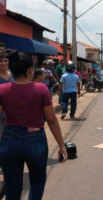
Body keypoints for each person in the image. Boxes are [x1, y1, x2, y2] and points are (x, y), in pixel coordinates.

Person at [0, 51, 67, 200]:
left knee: (12, 185)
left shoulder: (2, 90)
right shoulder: (41, 89)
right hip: (35, 139)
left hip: (9, 138)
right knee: (37, 182)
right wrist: (61, 145)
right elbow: (51, 120)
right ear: (30, 70)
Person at [0, 52, 14, 139]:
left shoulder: (12, 74)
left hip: (12, 113)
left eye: (6, 61)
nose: (4, 63)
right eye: (0, 61)